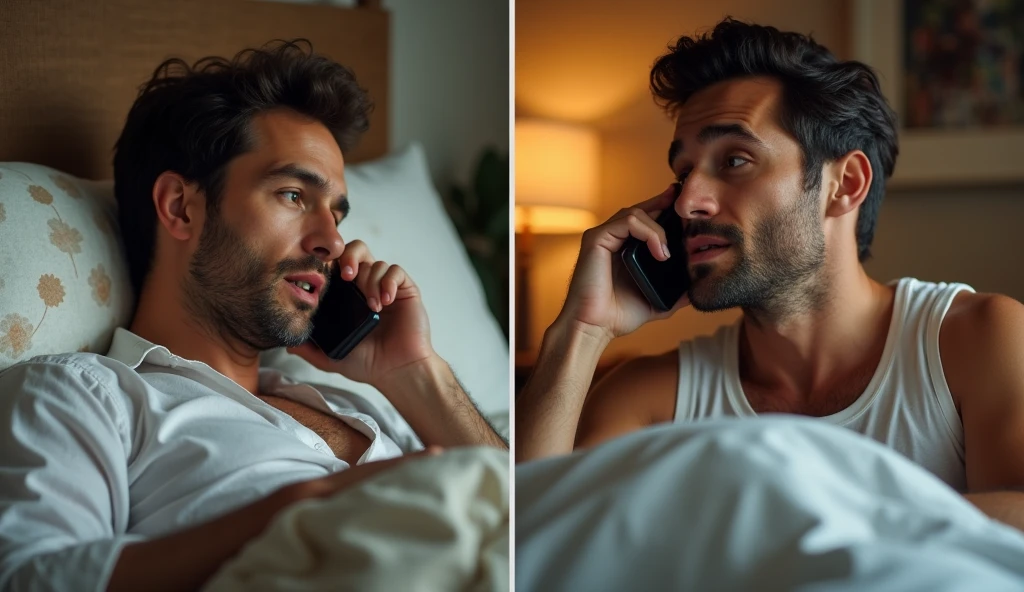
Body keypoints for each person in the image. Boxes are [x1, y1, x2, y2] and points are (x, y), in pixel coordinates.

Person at [0, 41, 507, 591]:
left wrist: (413, 372)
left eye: (336, 215)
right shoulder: (83, 395)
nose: (332, 242)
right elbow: (31, 577)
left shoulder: (354, 405)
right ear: (181, 207)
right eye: (293, 194)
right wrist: (304, 508)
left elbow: (524, 510)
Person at [516, 18, 1024, 532]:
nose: (689, 200)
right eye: (683, 171)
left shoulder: (978, 341)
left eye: (734, 160)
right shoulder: (653, 399)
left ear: (844, 184)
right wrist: (582, 332)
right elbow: (530, 542)